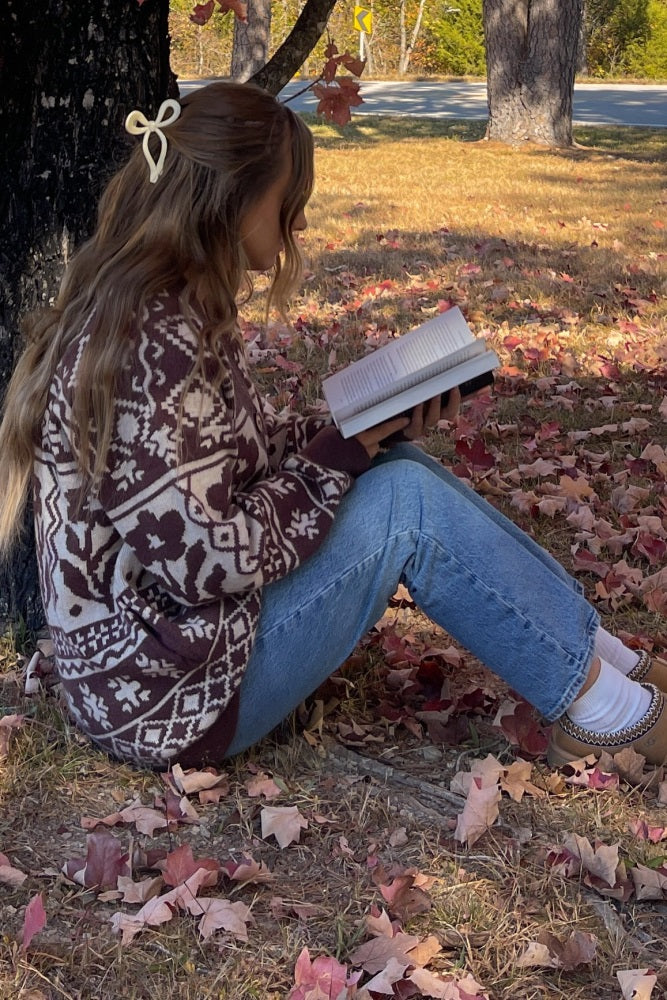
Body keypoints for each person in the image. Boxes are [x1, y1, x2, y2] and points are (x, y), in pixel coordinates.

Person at [0, 81, 665, 772]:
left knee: (397, 471)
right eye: (289, 203)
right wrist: (331, 458)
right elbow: (203, 562)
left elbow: (222, 471)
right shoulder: (155, 337)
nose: (299, 225)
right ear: (235, 197)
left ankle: (602, 663)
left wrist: (360, 433)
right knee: (405, 508)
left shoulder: (165, 306)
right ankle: (603, 711)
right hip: (166, 703)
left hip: (160, 669)